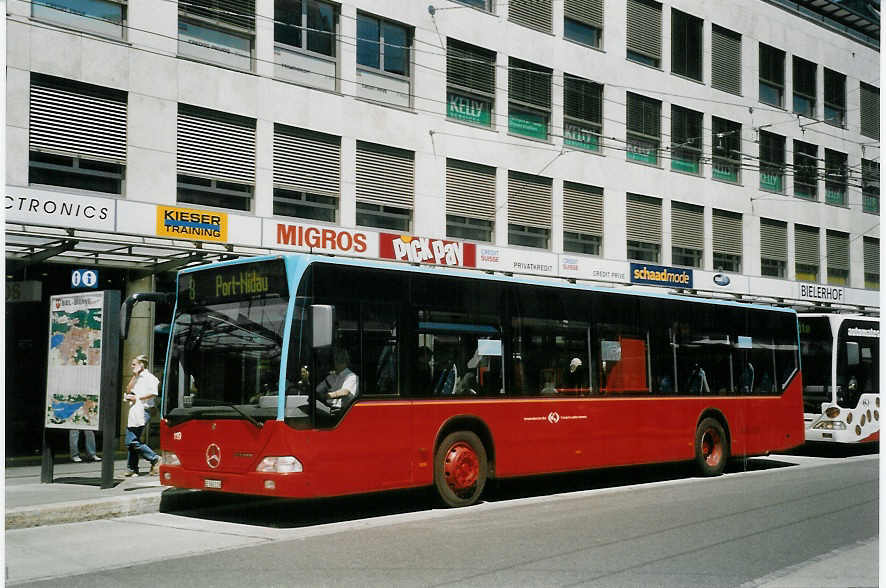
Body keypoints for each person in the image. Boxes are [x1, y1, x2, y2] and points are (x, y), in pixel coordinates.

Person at [124, 355, 161, 476]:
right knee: (133, 439)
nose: (132, 366)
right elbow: (128, 390)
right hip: (135, 409)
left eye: (134, 364)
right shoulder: (137, 377)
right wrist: (134, 376)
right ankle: (132, 469)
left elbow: (153, 393)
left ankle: (155, 458)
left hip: (144, 410)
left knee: (131, 441)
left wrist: (137, 397)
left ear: (141, 365)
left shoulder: (150, 378)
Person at [69, 398, 101, 462]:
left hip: (84, 414)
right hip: (75, 414)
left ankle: (91, 454)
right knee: (74, 434)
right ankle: (74, 455)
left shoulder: (89, 402)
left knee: (90, 433)